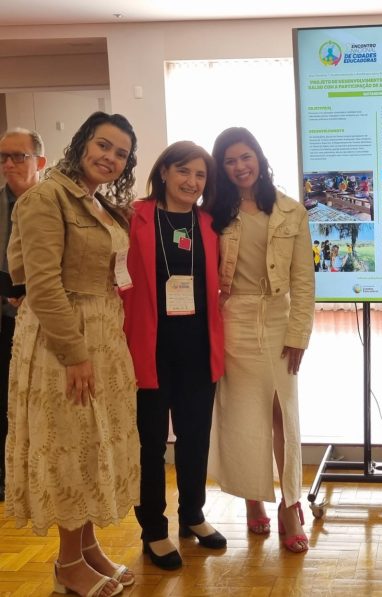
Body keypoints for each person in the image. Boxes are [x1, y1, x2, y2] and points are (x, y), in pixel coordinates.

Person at [5, 112, 140, 597]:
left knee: (92, 444)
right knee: (69, 446)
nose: (110, 157)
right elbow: (42, 285)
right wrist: (75, 352)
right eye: (103, 145)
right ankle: (66, 566)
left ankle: (87, 549)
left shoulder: (96, 201)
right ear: (82, 143)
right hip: (64, 341)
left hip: (102, 335)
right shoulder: (46, 197)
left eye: (121, 153)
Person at [208, 127, 315, 553]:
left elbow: (304, 281)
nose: (239, 167)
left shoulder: (291, 212)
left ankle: (291, 504)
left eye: (245, 157)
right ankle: (255, 500)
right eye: (230, 160)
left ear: (259, 158)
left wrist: (299, 333)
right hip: (232, 319)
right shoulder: (212, 214)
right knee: (243, 414)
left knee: (280, 414)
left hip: (277, 318)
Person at [121, 141, 226, 570]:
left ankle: (193, 515)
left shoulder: (209, 222)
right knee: (149, 441)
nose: (192, 182)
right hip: (149, 344)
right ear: (163, 172)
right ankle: (153, 530)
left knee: (195, 436)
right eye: (183, 171)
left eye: (200, 175)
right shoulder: (135, 216)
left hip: (198, 344)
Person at [0, 128, 46, 503]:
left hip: (44, 324)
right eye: (3, 157)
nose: (9, 164)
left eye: (19, 156)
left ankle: (42, 479)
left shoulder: (53, 204)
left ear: (40, 162)